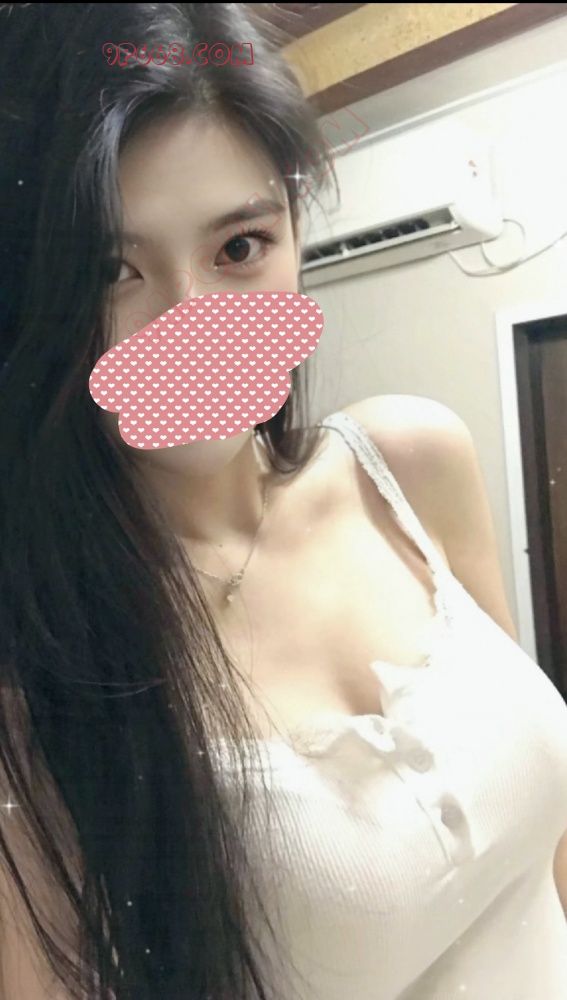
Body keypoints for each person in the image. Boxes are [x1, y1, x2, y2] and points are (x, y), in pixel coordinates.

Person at [1, 4, 567, 999]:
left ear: (296, 235)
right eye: (110, 270)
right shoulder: (41, 654)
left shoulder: (414, 462)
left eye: (239, 247)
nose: (191, 329)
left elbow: (545, 846)